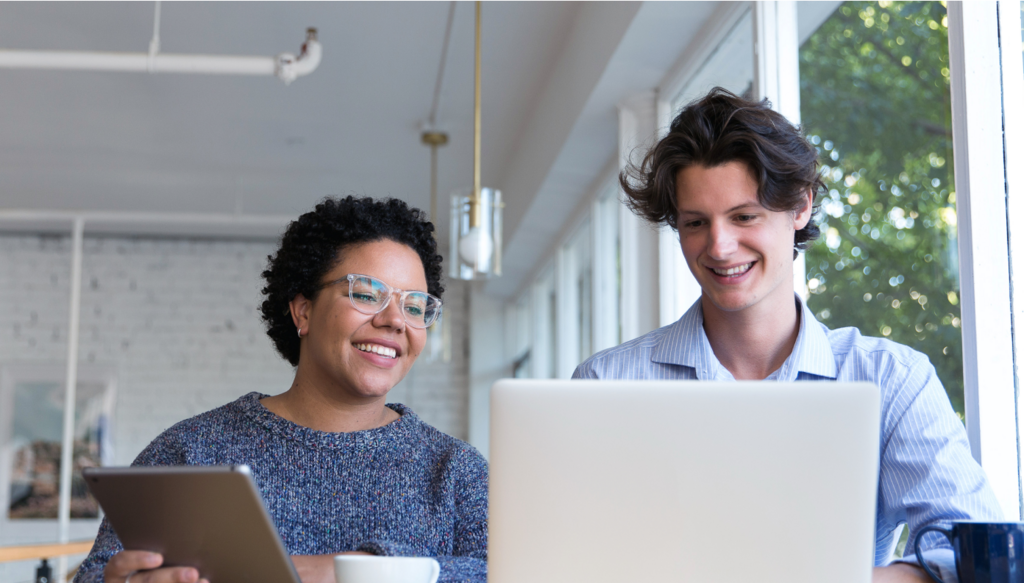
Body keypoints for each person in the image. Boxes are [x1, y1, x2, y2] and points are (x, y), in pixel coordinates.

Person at [572, 88, 1003, 583]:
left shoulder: (891, 379)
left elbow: (976, 555)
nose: (719, 246)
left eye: (744, 216)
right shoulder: (607, 383)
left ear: (800, 206)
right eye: (695, 223)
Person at [75, 196, 488, 583]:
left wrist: (356, 571)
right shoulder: (191, 452)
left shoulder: (456, 472)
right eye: (366, 294)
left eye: (415, 306)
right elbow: (99, 572)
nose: (396, 320)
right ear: (303, 310)